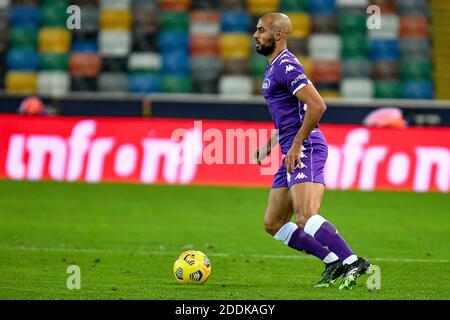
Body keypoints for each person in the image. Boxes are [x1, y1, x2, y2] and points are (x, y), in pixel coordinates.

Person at [252, 13, 370, 290]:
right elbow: (292, 115)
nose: (255, 35)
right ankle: (332, 261)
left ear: (278, 34)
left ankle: (353, 261)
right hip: (290, 147)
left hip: (305, 147)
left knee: (305, 216)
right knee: (274, 223)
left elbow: (317, 106)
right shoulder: (273, 68)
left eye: (261, 30)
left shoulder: (286, 66)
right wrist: (270, 145)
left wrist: (295, 145)